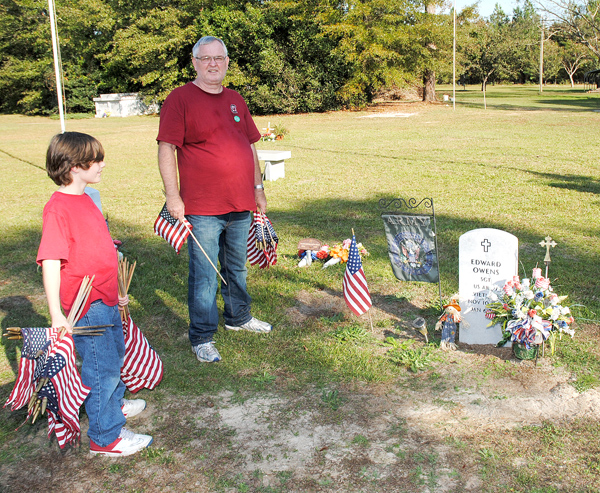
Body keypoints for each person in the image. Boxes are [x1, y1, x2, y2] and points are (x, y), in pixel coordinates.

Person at [157, 36, 272, 364]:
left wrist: (258, 188)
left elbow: (249, 146)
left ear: (226, 62)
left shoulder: (236, 99)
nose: (212, 64)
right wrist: (172, 196)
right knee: (205, 274)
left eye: (218, 58)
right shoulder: (179, 99)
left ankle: (239, 317)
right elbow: (166, 148)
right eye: (205, 58)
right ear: (194, 62)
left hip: (240, 202)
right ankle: (202, 336)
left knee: (237, 266)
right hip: (202, 207)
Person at [37, 132, 152, 456]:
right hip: (86, 305)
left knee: (114, 357)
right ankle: (106, 437)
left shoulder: (87, 198)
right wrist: (57, 315)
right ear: (74, 166)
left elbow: (100, 244)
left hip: (107, 298)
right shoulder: (57, 209)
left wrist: (117, 286)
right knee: (100, 369)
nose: (102, 164)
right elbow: (50, 261)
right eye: (95, 159)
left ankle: (114, 405)